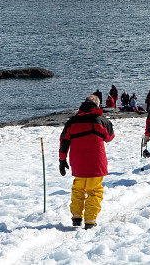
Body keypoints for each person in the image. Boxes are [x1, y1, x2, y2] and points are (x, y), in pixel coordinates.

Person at [59, 95, 115, 229]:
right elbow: (110, 137)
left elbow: (64, 140)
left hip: (78, 162)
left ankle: (76, 218)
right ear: (97, 105)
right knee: (94, 191)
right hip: (96, 163)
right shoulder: (102, 121)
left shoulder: (72, 121)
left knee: (78, 190)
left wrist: (62, 159)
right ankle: (90, 221)